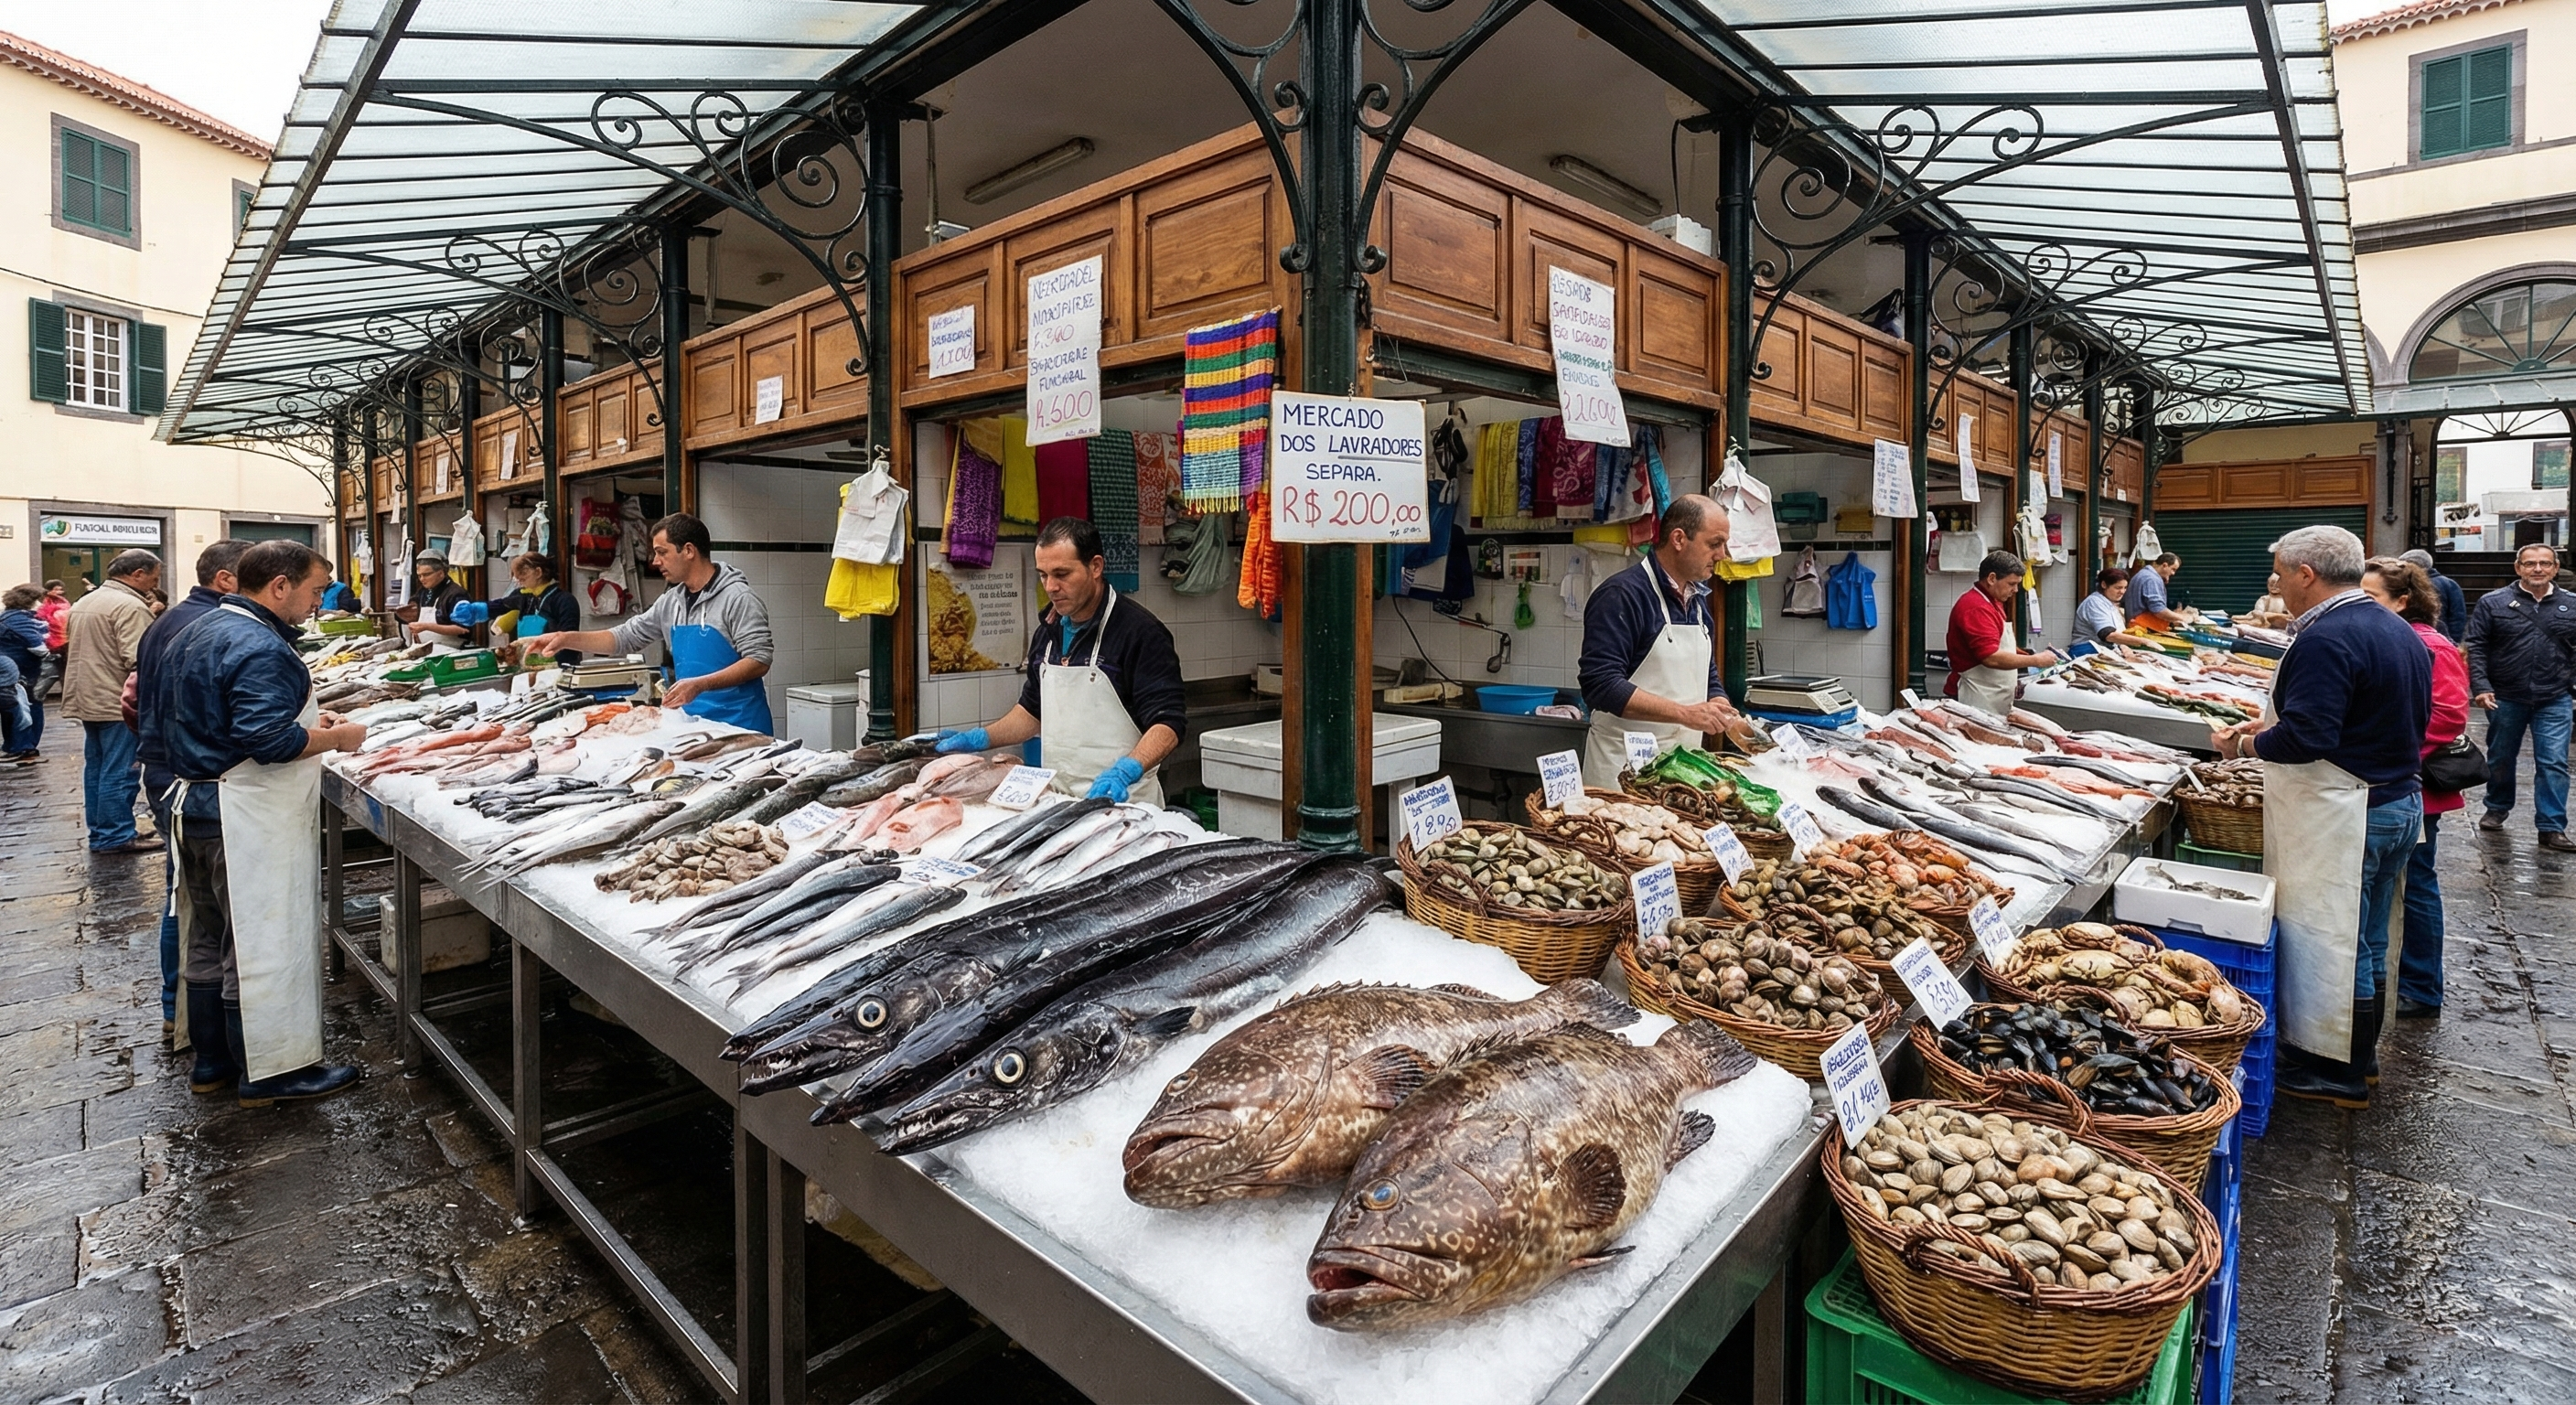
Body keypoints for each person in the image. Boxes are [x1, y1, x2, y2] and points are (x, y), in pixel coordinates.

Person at [2212, 526, 2429, 1108]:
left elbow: (2309, 738)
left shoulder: (2327, 638)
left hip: (2348, 811)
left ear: (2306, 574)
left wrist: (2247, 746)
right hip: (2395, 801)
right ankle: (2364, 1057)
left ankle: (2338, 1072)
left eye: (2281, 572)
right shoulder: (2393, 628)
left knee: (2335, 942)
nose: (2276, 584)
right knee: (2370, 937)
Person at [153, 541, 366, 1105]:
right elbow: (269, 740)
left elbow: (224, 716)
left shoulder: (196, 628)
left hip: (195, 806)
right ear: (279, 586)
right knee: (258, 943)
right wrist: (337, 738)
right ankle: (271, 1073)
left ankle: (213, 1063)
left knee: (208, 936)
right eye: (316, 591)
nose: (318, 604)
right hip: (241, 816)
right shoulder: (258, 644)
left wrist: (314, 719)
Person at [935, 517, 1188, 803]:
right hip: (1058, 800)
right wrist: (980, 738)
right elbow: (1032, 713)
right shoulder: (1048, 630)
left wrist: (1126, 770)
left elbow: (1167, 723)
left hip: (1125, 803)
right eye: (1043, 575)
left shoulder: (1140, 633)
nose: (1050, 587)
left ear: (1095, 567)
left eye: (1062, 574)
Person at [135, 541, 251, 1040]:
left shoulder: (179, 618)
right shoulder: (205, 626)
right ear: (226, 580)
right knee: (209, 913)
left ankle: (189, 1027)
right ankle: (209, 1035)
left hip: (173, 776)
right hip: (195, 786)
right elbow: (253, 731)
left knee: (194, 905)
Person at [523, 512, 776, 733]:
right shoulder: (672, 601)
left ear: (688, 551)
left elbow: (758, 661)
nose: (655, 562)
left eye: (662, 553)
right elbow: (625, 637)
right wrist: (566, 638)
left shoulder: (738, 598)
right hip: (695, 722)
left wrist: (701, 684)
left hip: (742, 725)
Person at [1575, 494, 1750, 788]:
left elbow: (1705, 675)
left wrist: (1720, 705)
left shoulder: (1696, 600)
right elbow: (1600, 685)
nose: (1723, 555)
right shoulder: (1622, 595)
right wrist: (1685, 714)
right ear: (1679, 539)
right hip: (1625, 772)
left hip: (1684, 769)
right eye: (1714, 543)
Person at [2362, 557, 2465, 1026]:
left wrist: (2388, 755)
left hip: (2411, 788)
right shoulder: (2392, 638)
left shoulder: (2431, 646)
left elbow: (2447, 717)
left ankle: (2422, 986)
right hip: (2396, 783)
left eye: (2372, 598)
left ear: (2404, 601)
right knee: (2401, 889)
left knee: (2418, 885)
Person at [2462, 542, 2576, 850]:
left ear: (2555, 568)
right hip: (2505, 695)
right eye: (2530, 564)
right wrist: (2481, 687)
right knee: (2500, 756)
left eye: (2544, 564)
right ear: (2518, 568)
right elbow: (2477, 647)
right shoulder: (2493, 602)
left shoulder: (2572, 604)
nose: (2537, 569)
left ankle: (2551, 827)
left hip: (2554, 696)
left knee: (2553, 761)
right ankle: (2497, 806)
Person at [64, 549, 162, 853]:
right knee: (122, 770)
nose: (154, 585)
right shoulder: (129, 606)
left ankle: (103, 831)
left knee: (98, 768)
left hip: (88, 696)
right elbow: (139, 660)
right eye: (154, 579)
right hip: (115, 701)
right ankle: (115, 834)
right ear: (137, 574)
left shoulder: (87, 600)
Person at [1943, 550, 2063, 716]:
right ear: (1992, 579)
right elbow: (1990, 657)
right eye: (2011, 584)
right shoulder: (1976, 607)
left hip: (1990, 694)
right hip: (1974, 696)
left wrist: (2026, 653)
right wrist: (2035, 660)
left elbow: (1997, 643)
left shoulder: (1992, 601)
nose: (2015, 590)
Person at [484, 552, 582, 666]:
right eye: (519, 580)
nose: (520, 583)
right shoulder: (522, 597)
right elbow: (501, 605)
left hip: (555, 666)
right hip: (524, 665)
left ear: (538, 572)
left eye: (524, 579)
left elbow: (570, 640)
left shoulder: (564, 600)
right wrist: (479, 610)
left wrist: (550, 663)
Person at [1, 585, 49, 761]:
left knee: (14, 708)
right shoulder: (20, 620)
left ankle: (16, 746)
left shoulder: (8, 616)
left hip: (14, 672)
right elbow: (39, 648)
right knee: (27, 707)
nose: (42, 604)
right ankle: (24, 746)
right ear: (30, 601)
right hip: (25, 671)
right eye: (40, 600)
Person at [2074, 567, 2162, 650]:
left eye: (2125, 588)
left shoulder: (2109, 602)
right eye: (2118, 588)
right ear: (2104, 585)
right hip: (2087, 650)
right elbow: (2108, 635)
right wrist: (2144, 641)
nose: (2122, 592)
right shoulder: (2094, 602)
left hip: (2105, 649)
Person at [402, 549, 471, 647]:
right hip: (425, 652)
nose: (422, 579)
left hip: (451, 653)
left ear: (441, 573)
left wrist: (426, 627)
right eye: (419, 575)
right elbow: (413, 612)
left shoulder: (457, 595)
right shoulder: (422, 592)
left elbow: (463, 629)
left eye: (426, 574)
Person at [2400, 548, 2467, 642]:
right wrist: (2454, 640)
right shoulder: (2449, 584)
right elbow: (2458, 616)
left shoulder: (2408, 584)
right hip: (2441, 638)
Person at [2125, 551, 2184, 628]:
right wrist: (2183, 618)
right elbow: (2158, 610)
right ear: (2165, 565)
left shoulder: (2145, 574)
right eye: (2173, 569)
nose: (2173, 573)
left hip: (2140, 626)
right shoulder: (2151, 579)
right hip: (2143, 629)